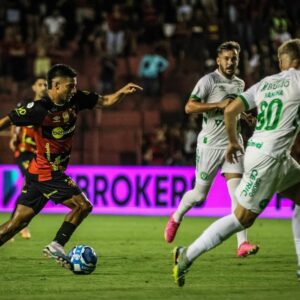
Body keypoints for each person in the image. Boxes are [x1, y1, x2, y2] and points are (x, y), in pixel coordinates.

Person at [172, 39, 300, 287]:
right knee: (241, 218)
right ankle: (186, 255)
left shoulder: (265, 83)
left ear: (282, 60)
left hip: (271, 155)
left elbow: (230, 111)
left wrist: (232, 142)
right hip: (268, 160)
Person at [0, 64, 142, 269]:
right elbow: (8, 120)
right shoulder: (38, 109)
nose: (73, 90)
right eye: (69, 86)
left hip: (38, 172)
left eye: (74, 86)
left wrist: (121, 92)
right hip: (48, 171)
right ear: (56, 86)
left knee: (15, 225)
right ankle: (57, 245)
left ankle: (55, 244)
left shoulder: (76, 99)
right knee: (83, 206)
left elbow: (105, 100)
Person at [164, 41, 258, 257]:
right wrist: (217, 105)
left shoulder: (240, 83)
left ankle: (242, 244)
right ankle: (177, 216)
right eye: (226, 58)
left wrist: (245, 116)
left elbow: (232, 108)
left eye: (234, 58)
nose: (230, 62)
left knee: (239, 196)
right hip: (210, 146)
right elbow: (189, 107)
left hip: (233, 143)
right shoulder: (208, 81)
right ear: (218, 60)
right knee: (199, 195)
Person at [9, 77, 48, 240]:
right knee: (29, 182)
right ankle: (17, 225)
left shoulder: (47, 108)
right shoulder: (25, 106)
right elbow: (14, 123)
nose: (43, 87)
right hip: (23, 151)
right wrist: (12, 138)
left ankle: (14, 225)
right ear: (33, 87)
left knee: (31, 188)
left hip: (37, 153)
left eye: (45, 85)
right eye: (40, 84)